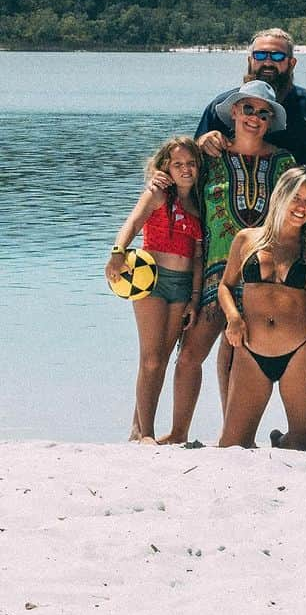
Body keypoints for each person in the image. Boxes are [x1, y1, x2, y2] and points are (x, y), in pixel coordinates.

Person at [162, 80, 295, 444]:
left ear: (270, 119)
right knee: (190, 351)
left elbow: (294, 216)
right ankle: (177, 432)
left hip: (259, 274)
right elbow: (175, 185)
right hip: (213, 270)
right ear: (233, 112)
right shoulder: (207, 157)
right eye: (247, 109)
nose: (254, 118)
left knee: (241, 352)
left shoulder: (284, 162)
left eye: (262, 112)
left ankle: (233, 434)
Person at [217, 166, 306, 450]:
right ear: (281, 195)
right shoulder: (246, 239)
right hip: (251, 351)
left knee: (305, 445)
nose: (302, 207)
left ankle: (279, 441)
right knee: (231, 446)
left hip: (299, 352)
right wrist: (233, 318)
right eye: (296, 197)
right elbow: (225, 287)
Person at [105, 136, 204, 443]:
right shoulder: (159, 193)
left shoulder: (200, 203)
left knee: (162, 357)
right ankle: (145, 433)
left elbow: (199, 257)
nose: (185, 169)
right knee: (150, 359)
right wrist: (118, 251)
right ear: (166, 167)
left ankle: (138, 429)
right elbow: (134, 222)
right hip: (150, 280)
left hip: (183, 286)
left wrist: (195, 298)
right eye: (177, 164)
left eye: (190, 163)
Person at [195, 29, 306, 166]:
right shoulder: (221, 105)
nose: (267, 63)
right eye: (260, 55)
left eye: (277, 56)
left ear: (291, 63)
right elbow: (192, 159)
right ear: (250, 61)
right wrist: (202, 142)